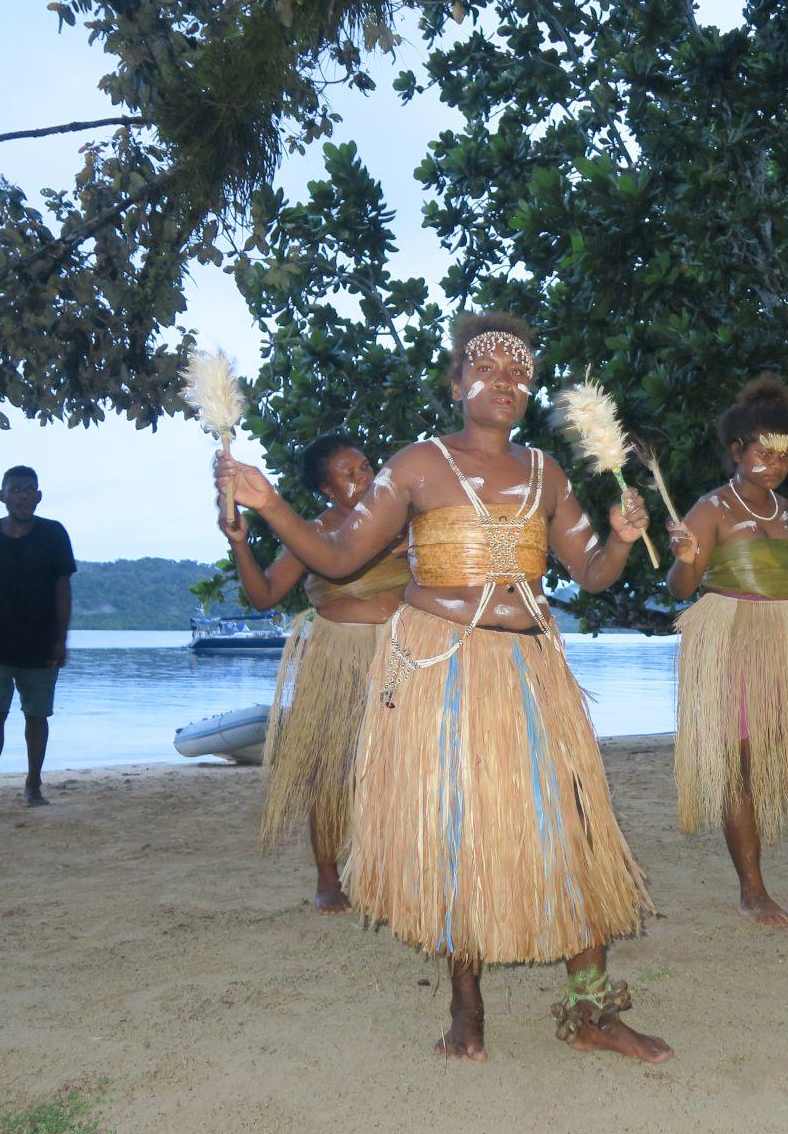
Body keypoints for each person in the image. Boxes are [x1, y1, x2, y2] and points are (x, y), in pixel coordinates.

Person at [214, 312, 670, 1064]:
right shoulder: (417, 466)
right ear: (458, 385)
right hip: (443, 666)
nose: (504, 382)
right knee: (459, 829)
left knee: (571, 826)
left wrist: (619, 540)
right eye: (485, 369)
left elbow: (591, 574)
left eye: (518, 372)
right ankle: (466, 1008)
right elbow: (337, 554)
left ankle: (593, 1011)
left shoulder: (547, 474)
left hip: (531, 669)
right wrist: (267, 506)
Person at [666, 374, 788, 931]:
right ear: (738, 451)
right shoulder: (710, 510)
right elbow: (681, 589)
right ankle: (753, 894)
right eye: (764, 451)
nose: (775, 463)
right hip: (732, 642)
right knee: (742, 768)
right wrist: (684, 558)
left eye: (784, 455)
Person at [220, 433, 409, 913]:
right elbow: (263, 596)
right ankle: (328, 876)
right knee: (332, 770)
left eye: (366, 467)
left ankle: (393, 867)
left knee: (401, 766)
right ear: (327, 489)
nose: (363, 478)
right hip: (338, 656)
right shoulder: (313, 533)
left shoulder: (404, 521)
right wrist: (240, 543)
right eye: (349, 474)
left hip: (403, 654)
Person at [0, 466, 76, 819]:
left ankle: (33, 784)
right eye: (16, 490)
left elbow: (63, 590)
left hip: (41, 641)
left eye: (29, 490)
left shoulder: (54, 534)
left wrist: (61, 640)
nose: (23, 496)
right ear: (3, 496)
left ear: (38, 496)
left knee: (37, 716)